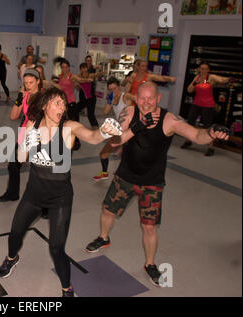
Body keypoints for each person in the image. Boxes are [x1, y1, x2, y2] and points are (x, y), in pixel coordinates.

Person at [84, 82, 230, 287]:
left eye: (150, 98)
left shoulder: (169, 119)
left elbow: (197, 136)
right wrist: (136, 128)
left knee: (149, 227)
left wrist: (212, 132)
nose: (145, 103)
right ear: (136, 98)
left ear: (158, 99)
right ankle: (103, 237)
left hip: (152, 183)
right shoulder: (129, 112)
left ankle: (150, 264)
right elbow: (114, 142)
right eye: (142, 98)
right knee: (108, 211)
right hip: (125, 176)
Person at [0, 87, 122, 297]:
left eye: (63, 103)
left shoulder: (69, 127)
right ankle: (11, 258)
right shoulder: (31, 125)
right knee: (15, 233)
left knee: (56, 248)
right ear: (45, 105)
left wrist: (103, 131)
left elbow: (91, 137)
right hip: (33, 195)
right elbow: (19, 159)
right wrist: (26, 142)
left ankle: (67, 288)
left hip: (60, 198)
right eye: (57, 102)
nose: (62, 107)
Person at [0, 68, 42, 202]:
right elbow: (13, 116)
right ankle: (12, 193)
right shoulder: (25, 95)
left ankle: (44, 204)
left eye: (31, 82)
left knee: (40, 171)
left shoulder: (43, 98)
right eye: (26, 83)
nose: (28, 86)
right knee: (13, 165)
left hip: (38, 136)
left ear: (38, 82)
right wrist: (19, 99)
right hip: (24, 133)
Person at [181, 61, 231, 156]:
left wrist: (229, 79)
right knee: (190, 123)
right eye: (202, 68)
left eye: (205, 69)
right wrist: (195, 82)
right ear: (199, 69)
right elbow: (189, 90)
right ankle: (188, 141)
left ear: (208, 70)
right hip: (196, 104)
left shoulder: (210, 77)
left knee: (207, 126)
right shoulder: (197, 77)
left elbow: (221, 80)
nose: (203, 71)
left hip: (208, 105)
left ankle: (210, 147)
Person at [93, 77, 135, 181]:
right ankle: (104, 173)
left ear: (119, 87)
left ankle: (127, 176)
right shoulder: (111, 97)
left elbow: (138, 102)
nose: (113, 91)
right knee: (103, 154)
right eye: (110, 89)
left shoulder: (125, 96)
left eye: (114, 88)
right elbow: (105, 112)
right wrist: (110, 101)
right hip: (119, 131)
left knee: (128, 157)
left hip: (130, 131)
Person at [76, 62, 99, 128]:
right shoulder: (78, 76)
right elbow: (78, 88)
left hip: (91, 98)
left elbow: (97, 75)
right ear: (80, 69)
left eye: (85, 68)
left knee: (90, 114)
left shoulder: (90, 75)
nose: (84, 70)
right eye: (82, 68)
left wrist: (101, 70)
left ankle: (96, 128)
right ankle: (77, 125)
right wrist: (78, 85)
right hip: (83, 98)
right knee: (75, 110)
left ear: (87, 68)